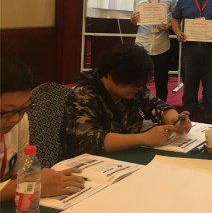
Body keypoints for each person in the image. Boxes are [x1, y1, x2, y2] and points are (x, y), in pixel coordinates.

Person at [65, 43, 192, 157]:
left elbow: (155, 105)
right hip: (86, 164)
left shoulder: (134, 88)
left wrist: (174, 119)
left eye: (140, 84)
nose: (138, 88)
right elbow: (89, 141)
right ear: (110, 75)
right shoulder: (83, 96)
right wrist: (143, 138)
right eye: (133, 84)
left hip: (124, 157)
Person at [1, 57, 85, 202]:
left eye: (23, 108)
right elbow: (23, 181)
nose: (15, 119)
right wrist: (30, 184)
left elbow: (20, 173)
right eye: (5, 112)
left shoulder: (21, 120)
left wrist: (37, 179)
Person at [171, 0, 212, 124]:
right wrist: (178, 32)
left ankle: (210, 119)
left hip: (211, 49)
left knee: (210, 87)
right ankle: (189, 119)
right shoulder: (184, 0)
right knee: (189, 86)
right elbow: (175, 19)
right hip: (190, 49)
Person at [130, 0, 177, 102]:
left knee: (161, 79)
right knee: (140, 79)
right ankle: (139, 105)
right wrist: (133, 20)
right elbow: (136, 20)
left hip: (162, 44)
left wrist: (168, 25)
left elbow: (176, 19)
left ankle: (162, 107)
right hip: (142, 43)